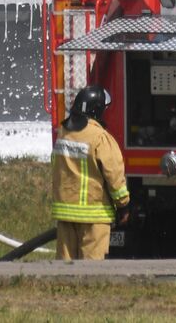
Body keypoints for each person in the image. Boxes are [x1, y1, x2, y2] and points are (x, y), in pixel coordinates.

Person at [52, 84, 131, 260]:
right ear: (97, 110)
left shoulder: (63, 133)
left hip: (65, 214)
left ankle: (62, 289)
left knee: (63, 270)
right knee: (91, 271)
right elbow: (114, 175)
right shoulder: (100, 137)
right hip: (94, 216)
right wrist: (123, 205)